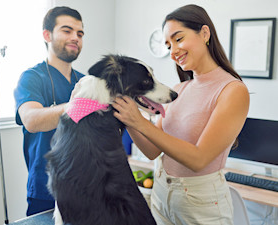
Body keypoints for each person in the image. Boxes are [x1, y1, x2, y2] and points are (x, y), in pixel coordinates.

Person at [112, 4, 249, 225]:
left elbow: (199, 159)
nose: (173, 51)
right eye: (168, 45)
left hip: (201, 205)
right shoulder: (180, 89)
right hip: (161, 194)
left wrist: (139, 121)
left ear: (205, 33)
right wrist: (129, 118)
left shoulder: (232, 91)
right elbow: (151, 150)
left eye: (178, 39)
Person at [14, 6, 85, 216]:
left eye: (80, 33)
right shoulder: (32, 78)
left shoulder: (85, 81)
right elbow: (32, 120)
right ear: (47, 35)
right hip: (46, 188)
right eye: (67, 30)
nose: (75, 38)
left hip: (84, 185)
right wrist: (80, 106)